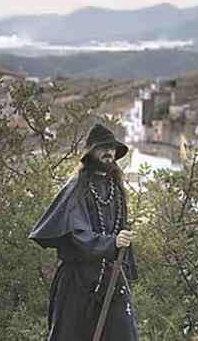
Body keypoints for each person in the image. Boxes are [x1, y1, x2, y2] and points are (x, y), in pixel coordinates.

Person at [29, 123, 140, 340]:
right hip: (78, 278)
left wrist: (125, 268)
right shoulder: (76, 188)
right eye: (102, 148)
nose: (108, 152)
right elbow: (79, 234)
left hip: (111, 275)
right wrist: (112, 243)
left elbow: (121, 234)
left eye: (111, 148)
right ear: (91, 153)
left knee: (124, 333)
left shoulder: (116, 188)